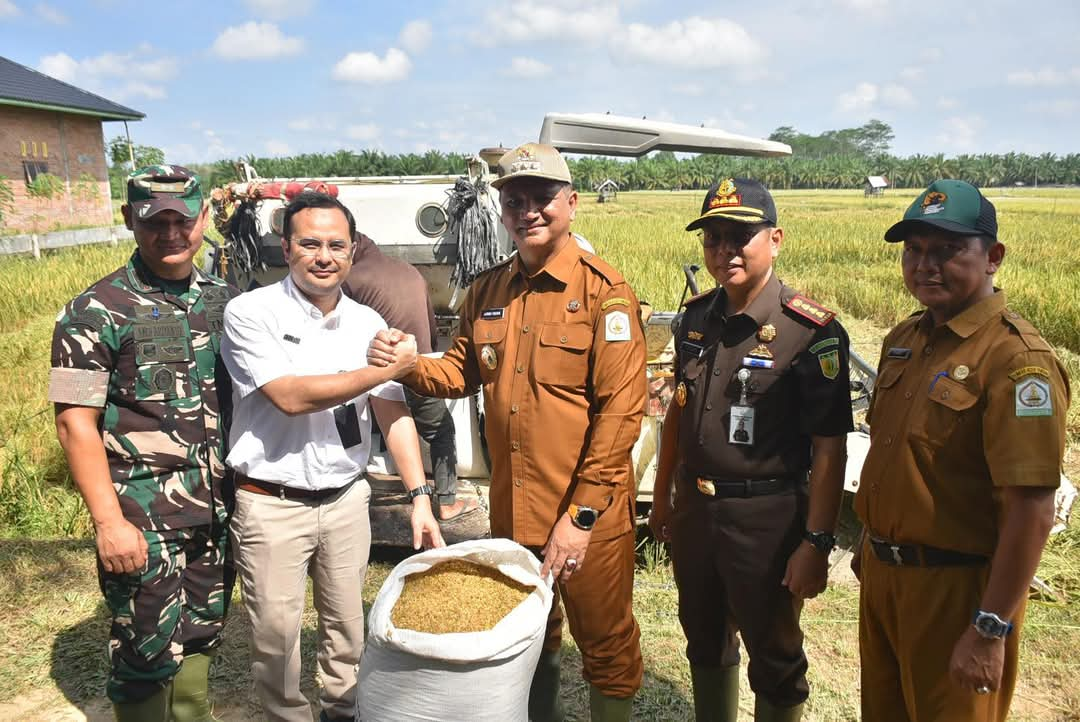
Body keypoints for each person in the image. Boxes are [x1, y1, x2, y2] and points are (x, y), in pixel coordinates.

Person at [369, 142, 646, 721]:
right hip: (515, 510)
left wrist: (582, 517)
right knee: (527, 635)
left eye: (542, 198)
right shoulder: (488, 290)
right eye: (515, 200)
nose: (529, 211)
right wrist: (409, 363)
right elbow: (458, 372)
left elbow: (621, 413)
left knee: (606, 645)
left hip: (584, 515)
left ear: (570, 203)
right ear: (501, 209)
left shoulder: (604, 292)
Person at [221, 192, 444, 722]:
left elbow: (392, 415)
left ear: (352, 252)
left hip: (347, 500)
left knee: (346, 633)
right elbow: (293, 397)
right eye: (310, 243)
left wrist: (419, 497)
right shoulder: (251, 312)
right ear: (287, 247)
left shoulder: (367, 321)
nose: (324, 256)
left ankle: (344, 712)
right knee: (276, 646)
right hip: (272, 504)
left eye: (336, 245)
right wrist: (388, 370)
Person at [852, 179, 1070, 722]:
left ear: (993, 256)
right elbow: (895, 457)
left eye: (948, 250)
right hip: (884, 576)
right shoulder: (906, 338)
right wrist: (869, 541)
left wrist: (991, 626)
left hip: (956, 591)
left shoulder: (1017, 362)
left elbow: (1032, 509)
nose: (926, 265)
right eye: (915, 250)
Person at [648, 178, 853, 722]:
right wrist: (666, 495)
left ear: (776, 239)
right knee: (703, 636)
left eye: (740, 236)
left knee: (775, 656)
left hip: (766, 517)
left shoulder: (809, 330)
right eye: (712, 238)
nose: (724, 251)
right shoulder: (694, 319)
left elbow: (830, 449)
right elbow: (678, 412)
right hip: (696, 509)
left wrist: (816, 540)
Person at [49, 165, 236, 721]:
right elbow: (74, 424)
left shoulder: (228, 303)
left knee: (202, 635)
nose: (171, 233)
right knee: (143, 654)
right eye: (156, 221)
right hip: (141, 517)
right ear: (130, 219)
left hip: (217, 512)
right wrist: (109, 523)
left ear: (205, 218)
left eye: (184, 219)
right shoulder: (93, 311)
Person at [342, 232, 479, 520]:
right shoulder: (409, 271)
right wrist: (425, 360)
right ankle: (447, 500)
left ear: (352, 249)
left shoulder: (350, 279)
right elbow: (429, 323)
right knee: (441, 430)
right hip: (419, 364)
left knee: (368, 425)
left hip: (381, 367)